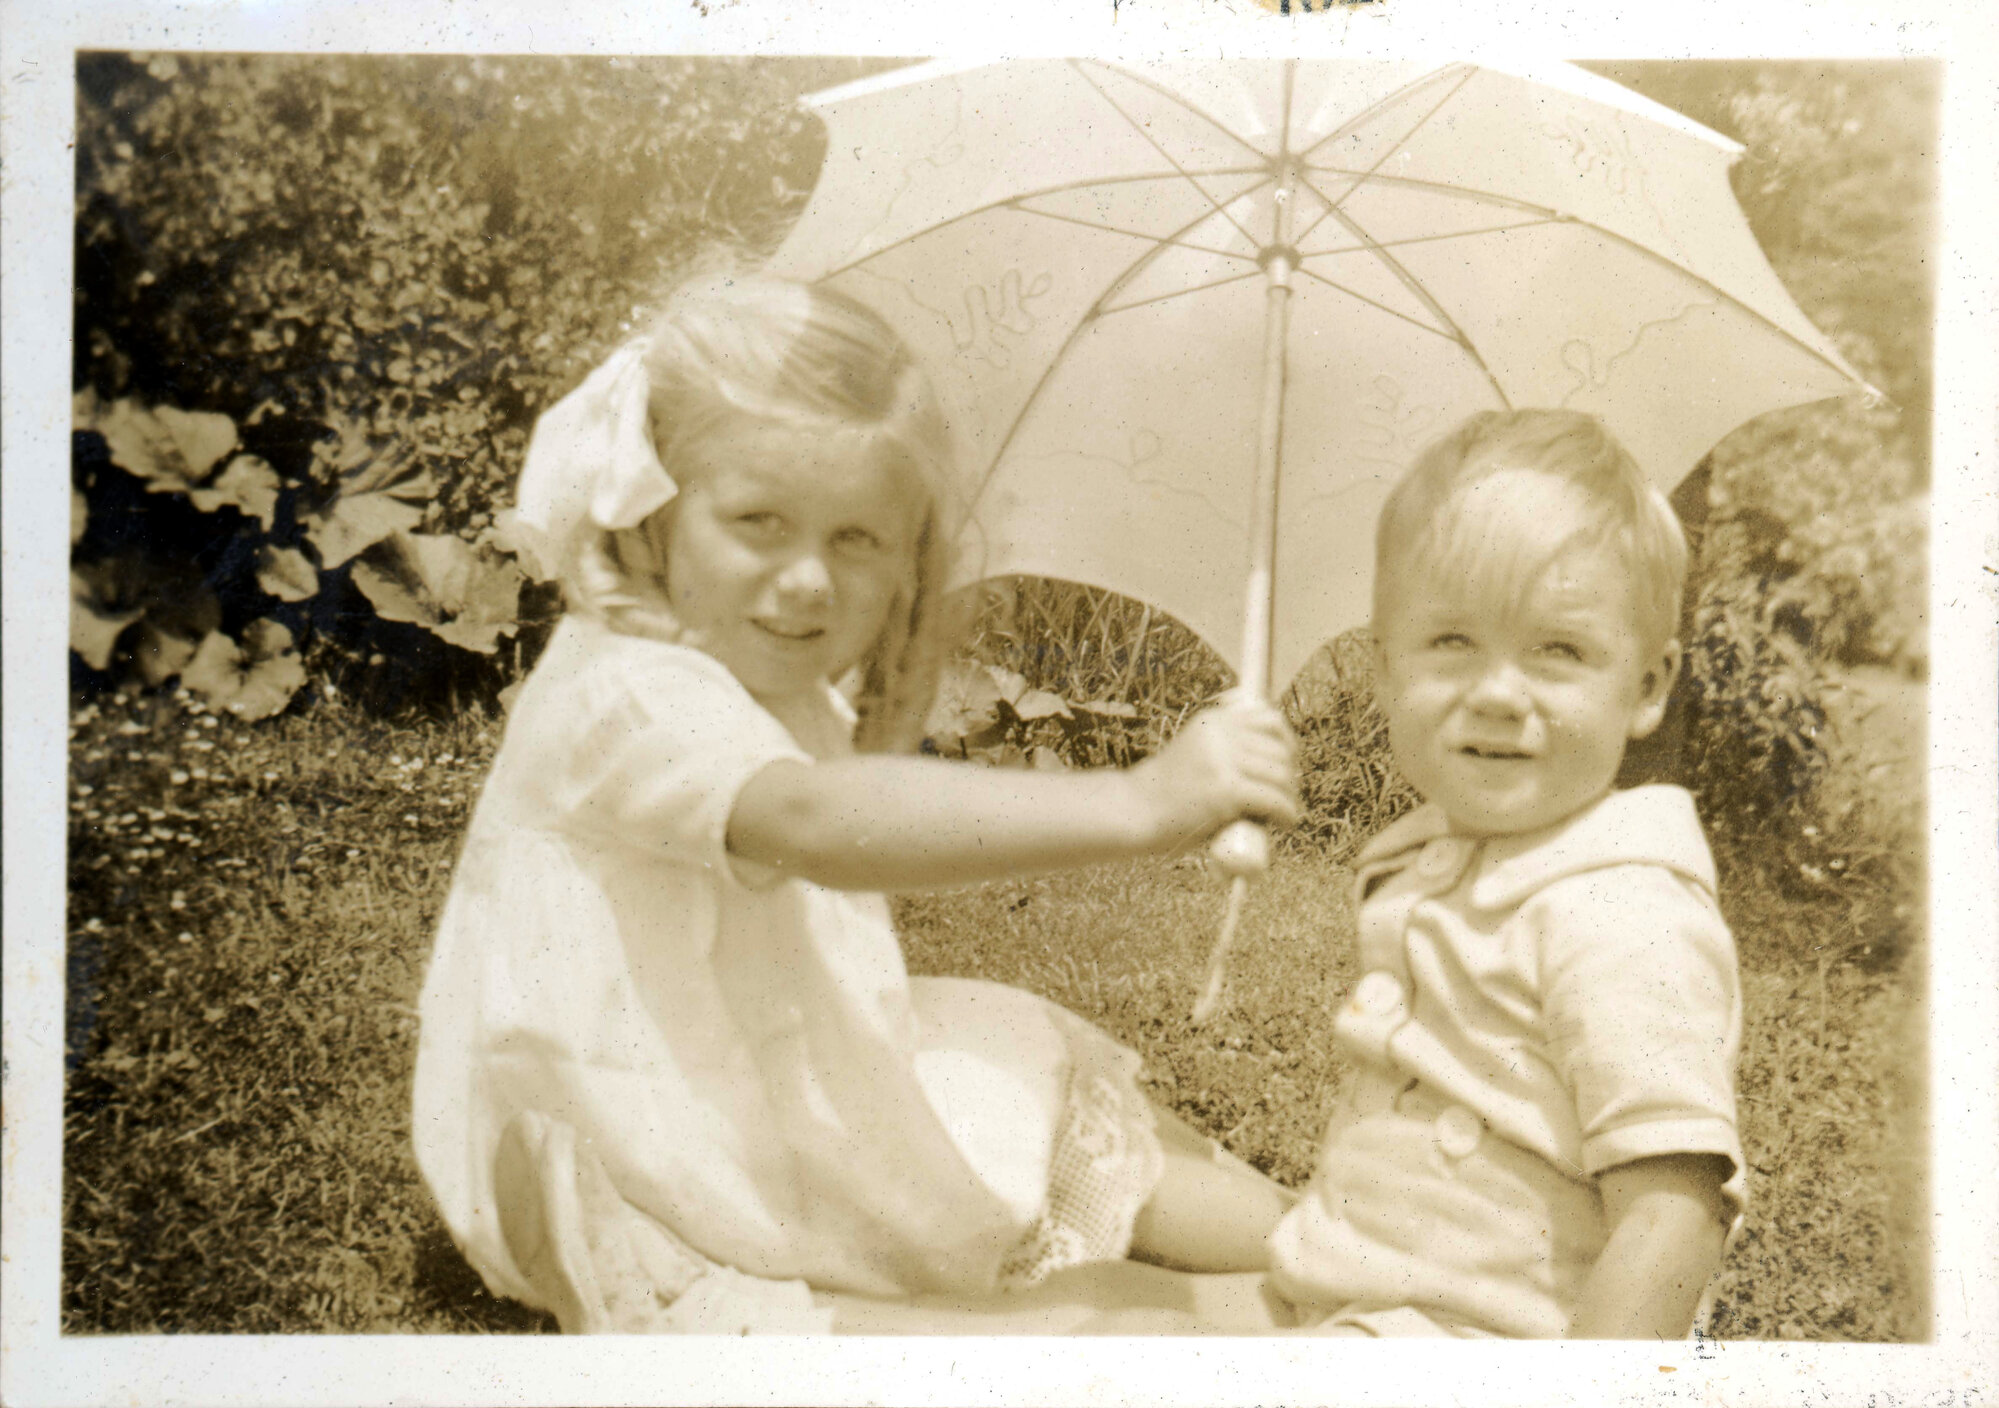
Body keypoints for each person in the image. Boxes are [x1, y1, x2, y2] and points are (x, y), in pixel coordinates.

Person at [409, 269, 1302, 1334]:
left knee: (1040, 1073)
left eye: (854, 539)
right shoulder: (623, 695)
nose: (807, 579)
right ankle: (1302, 1313)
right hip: (643, 1167)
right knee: (1096, 1319)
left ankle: (1343, 1246)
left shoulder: (771, 687)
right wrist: (1137, 803)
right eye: (759, 522)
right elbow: (813, 823)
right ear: (654, 525)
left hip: (754, 1073)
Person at [1098, 409, 1747, 1339]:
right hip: (1361, 1281)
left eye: (1558, 651)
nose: (1495, 691)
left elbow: (1670, 1213)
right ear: (1382, 665)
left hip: (1477, 1340)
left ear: (1645, 686)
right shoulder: (1428, 854)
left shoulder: (1618, 909)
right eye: (1451, 642)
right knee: (1074, 1297)